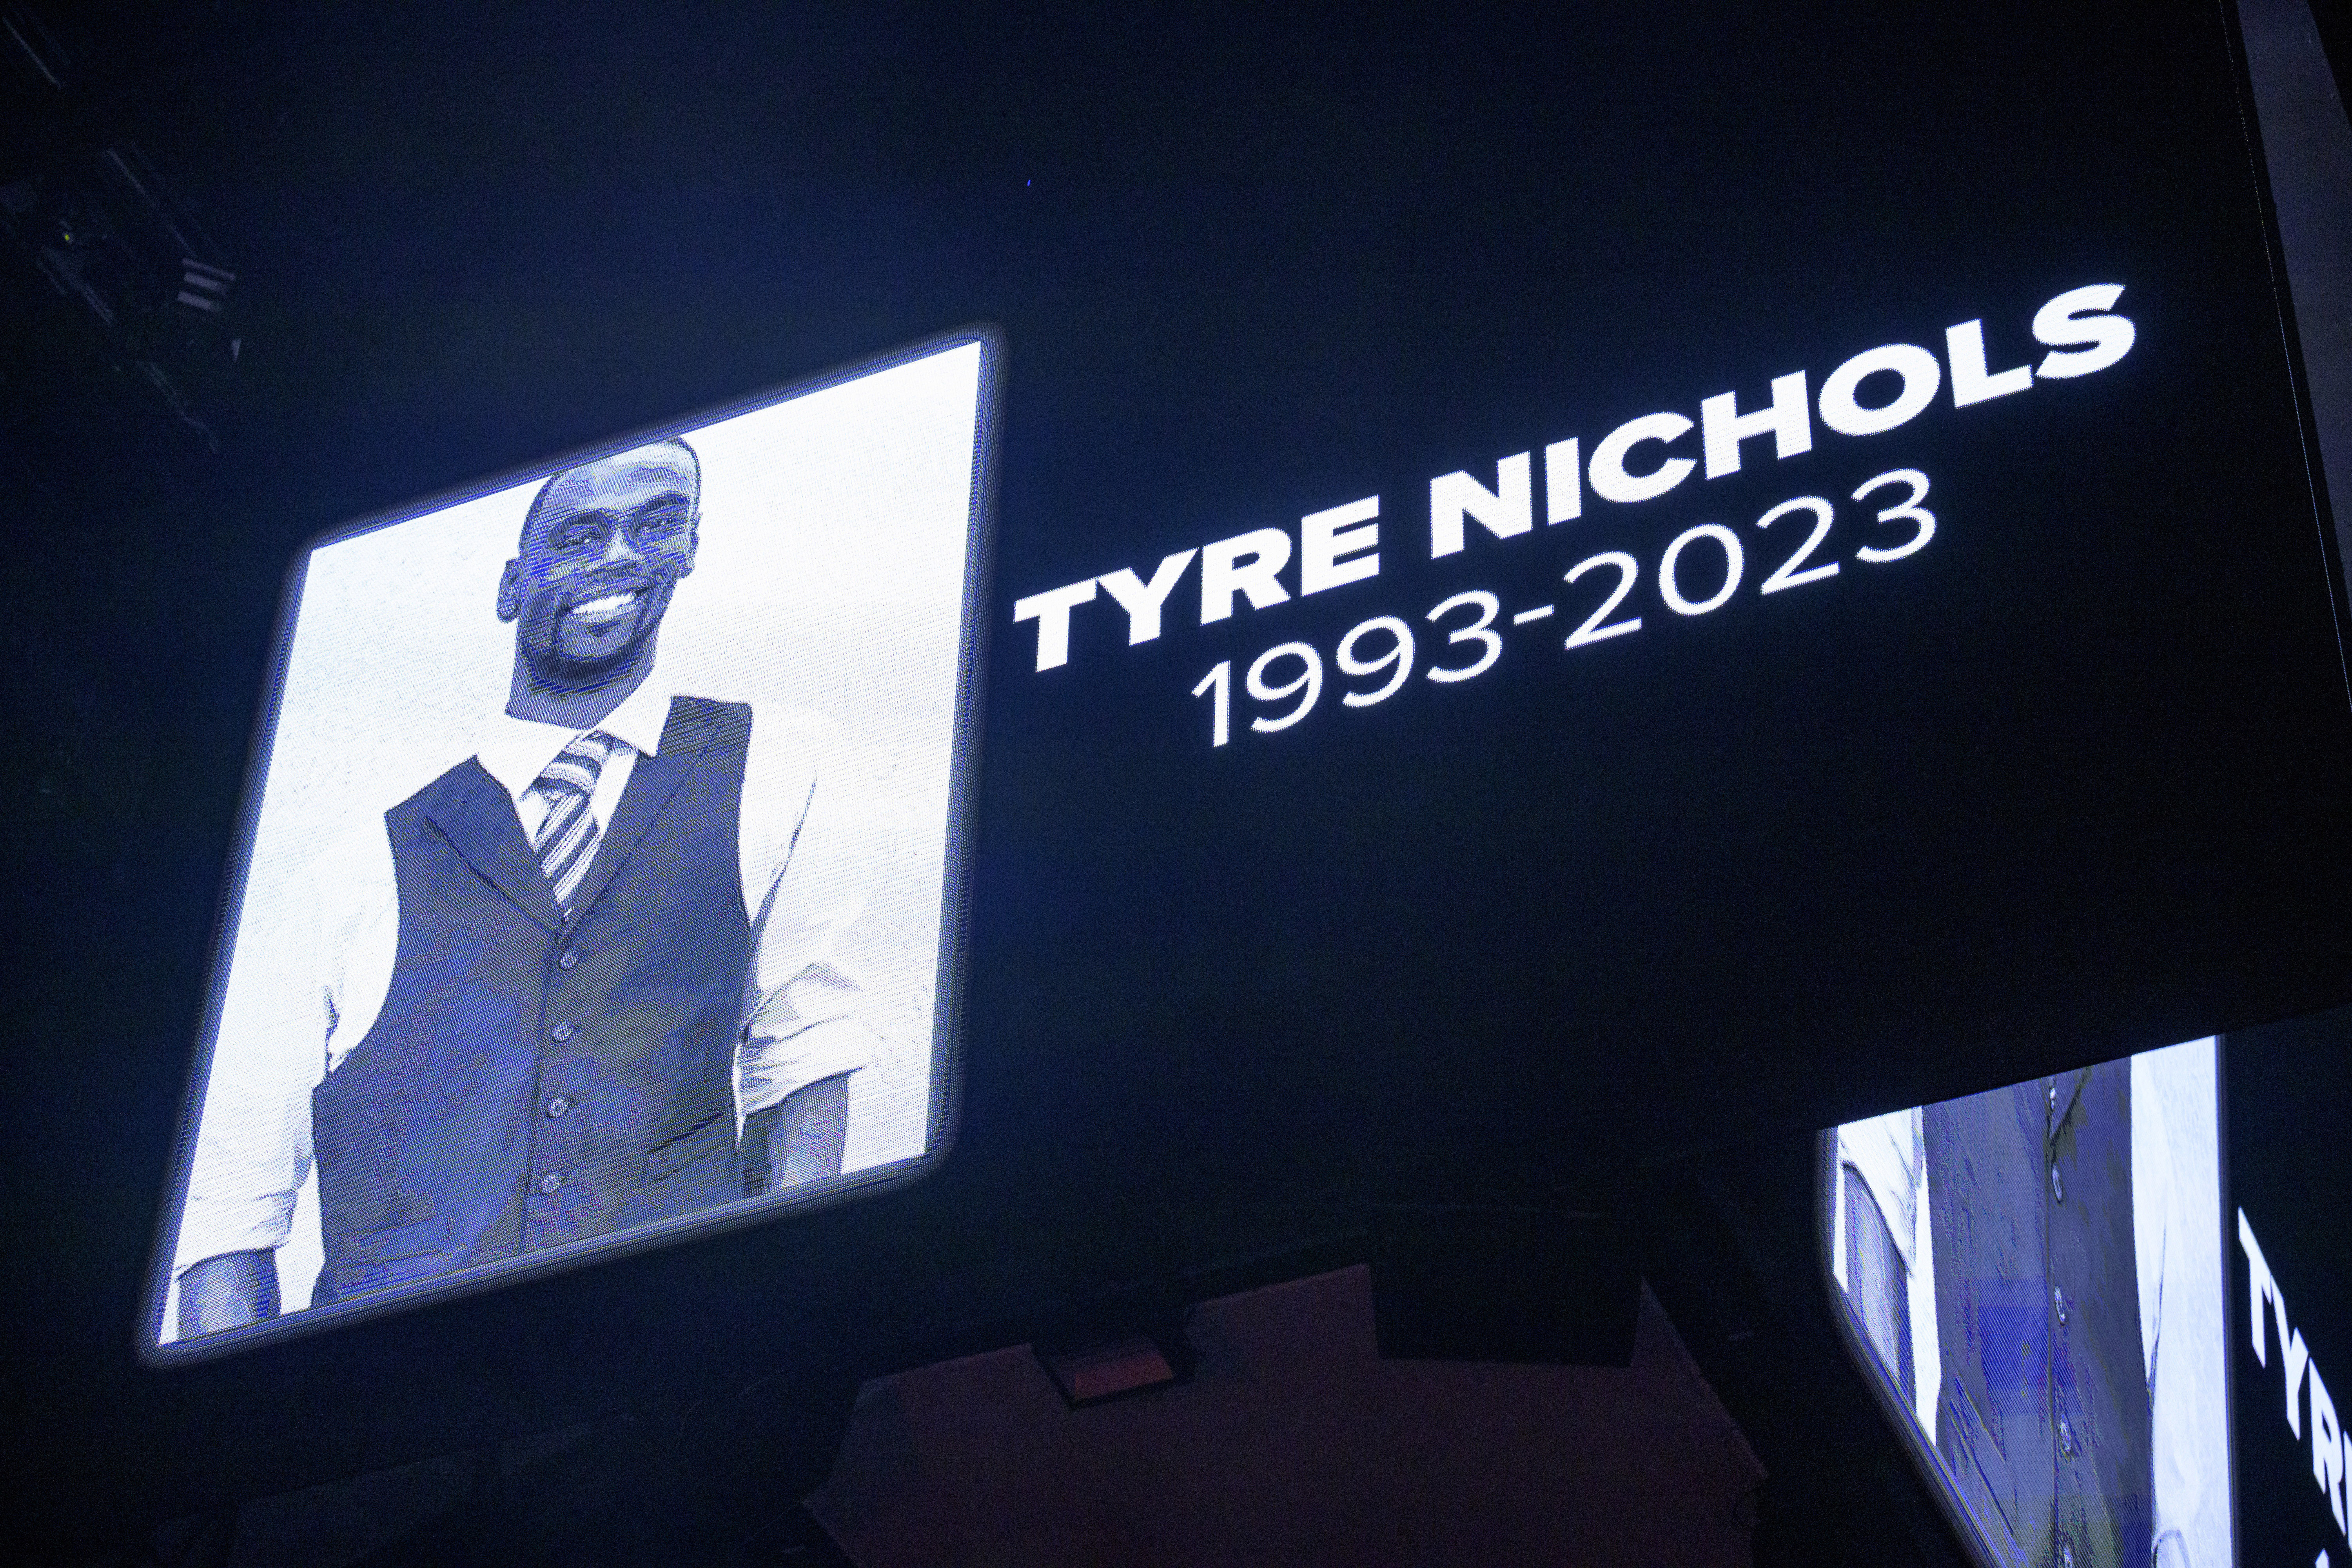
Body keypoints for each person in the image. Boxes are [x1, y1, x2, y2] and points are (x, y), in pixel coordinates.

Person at [174, 438, 875, 1336]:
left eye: (658, 522)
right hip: (399, 1427)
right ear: (511, 585)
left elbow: (807, 1063)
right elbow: (231, 1213)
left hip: (672, 1380)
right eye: (582, 534)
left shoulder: (782, 764)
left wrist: (775, 1328)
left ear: (692, 547)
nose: (621, 555)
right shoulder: (348, 873)